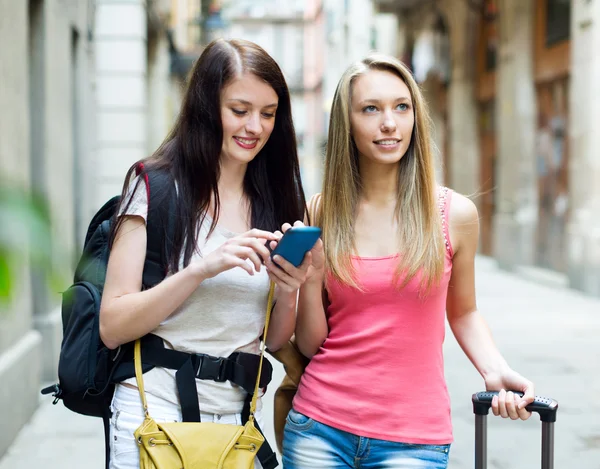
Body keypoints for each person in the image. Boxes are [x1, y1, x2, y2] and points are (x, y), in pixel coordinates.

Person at [282, 53, 535, 468]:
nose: (390, 123)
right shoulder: (322, 211)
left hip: (414, 440)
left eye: (402, 107)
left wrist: (496, 370)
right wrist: (310, 278)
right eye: (371, 109)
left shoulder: (453, 215)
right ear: (347, 123)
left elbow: (465, 312)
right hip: (320, 427)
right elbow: (312, 344)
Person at [99, 38, 312, 469]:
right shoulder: (155, 187)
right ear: (205, 106)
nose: (254, 126)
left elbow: (270, 339)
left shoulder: (277, 202)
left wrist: (289, 292)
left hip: (237, 418)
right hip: (152, 413)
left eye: (268, 114)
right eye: (239, 110)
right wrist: (201, 269)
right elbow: (112, 325)